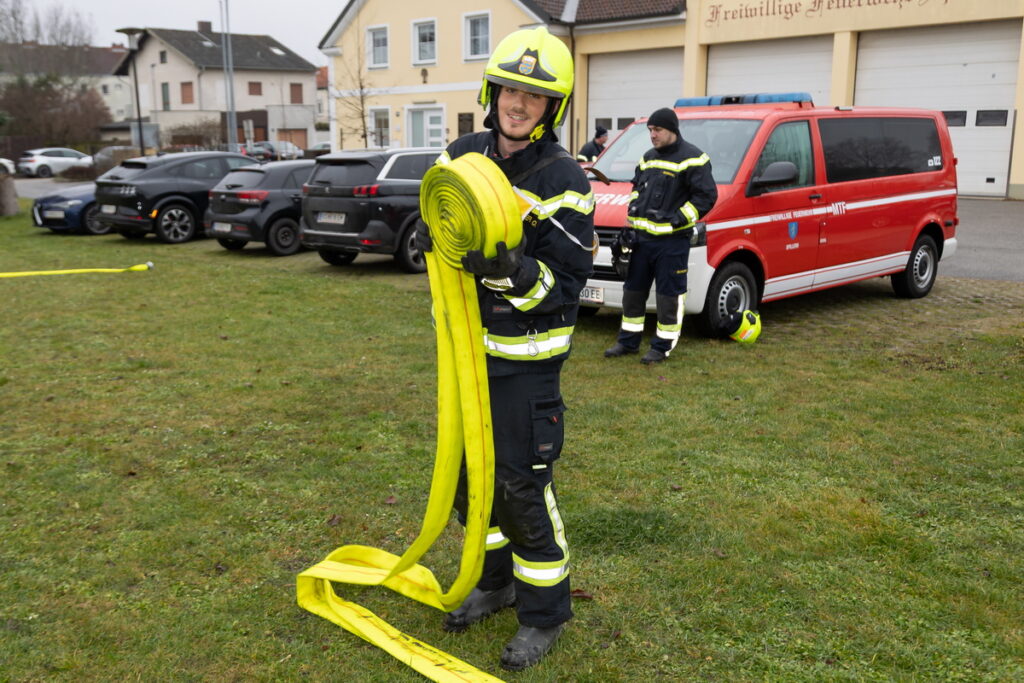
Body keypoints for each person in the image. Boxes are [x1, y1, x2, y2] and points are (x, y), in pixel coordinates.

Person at [416, 26, 594, 671]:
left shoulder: (563, 179)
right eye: (510, 90)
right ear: (492, 93)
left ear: (552, 107)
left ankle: (545, 613)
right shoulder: (461, 154)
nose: (518, 104)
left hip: (526, 363)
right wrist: (431, 233)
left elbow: (566, 284)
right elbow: (441, 221)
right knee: (471, 482)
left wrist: (514, 272)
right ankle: (493, 582)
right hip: (466, 354)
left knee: (521, 485)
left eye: (534, 96)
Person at [603, 107, 717, 364]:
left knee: (669, 296)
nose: (652, 135)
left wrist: (679, 218)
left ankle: (662, 346)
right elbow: (637, 189)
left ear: (672, 130)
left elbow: (706, 197)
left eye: (657, 130)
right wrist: (631, 219)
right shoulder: (647, 158)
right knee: (633, 292)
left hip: (672, 242)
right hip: (641, 241)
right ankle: (627, 342)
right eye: (650, 130)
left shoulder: (694, 159)